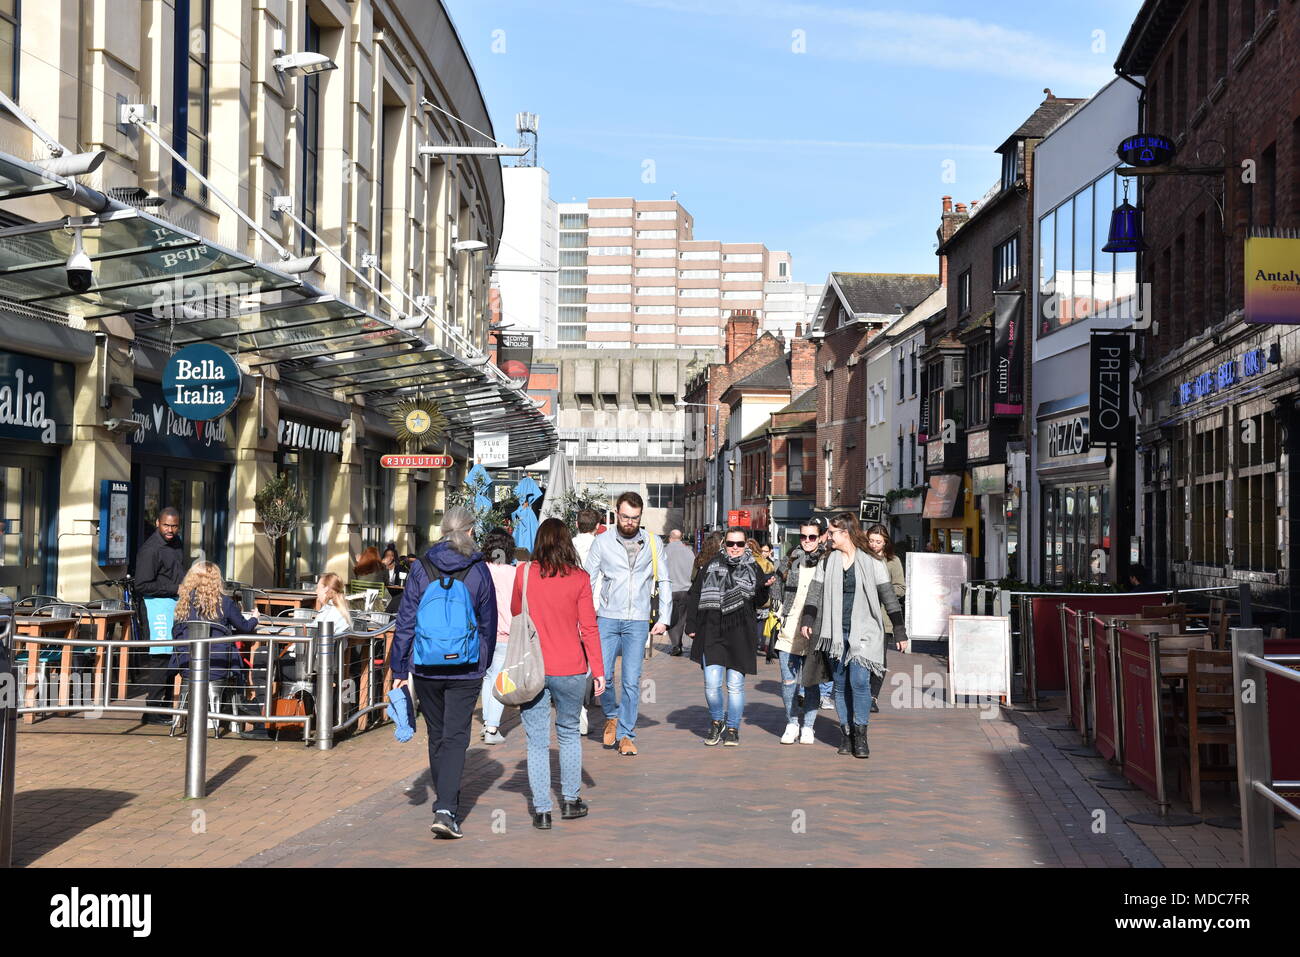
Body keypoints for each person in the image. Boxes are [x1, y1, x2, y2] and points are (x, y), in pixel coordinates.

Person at [390, 507, 497, 840]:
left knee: (437, 735)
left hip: (426, 666)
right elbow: (488, 623)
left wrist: (399, 667)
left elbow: (405, 620)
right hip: (465, 668)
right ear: (469, 531)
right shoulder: (479, 570)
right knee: (455, 737)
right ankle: (447, 808)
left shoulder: (421, 568)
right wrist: (483, 661)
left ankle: (445, 801)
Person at [513, 519, 607, 829]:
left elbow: (517, 614)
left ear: (539, 542)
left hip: (533, 668)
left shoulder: (523, 573)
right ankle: (570, 801)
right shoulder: (580, 578)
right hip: (571, 668)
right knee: (568, 735)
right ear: (567, 542)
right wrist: (599, 670)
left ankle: (541, 811)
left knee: (537, 741)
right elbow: (589, 627)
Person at [799, 513, 908, 759]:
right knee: (839, 685)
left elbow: (889, 598)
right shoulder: (827, 561)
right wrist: (807, 620)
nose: (828, 536)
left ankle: (861, 735)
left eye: (831, 532)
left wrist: (900, 631)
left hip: (865, 632)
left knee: (859, 682)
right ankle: (846, 733)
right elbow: (814, 593)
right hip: (835, 633)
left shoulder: (872, 562)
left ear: (845, 533)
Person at [583, 491, 672, 756]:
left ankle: (625, 734)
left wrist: (664, 618)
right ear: (616, 514)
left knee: (633, 681)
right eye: (624, 517)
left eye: (634, 518)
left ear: (640, 516)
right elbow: (587, 580)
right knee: (604, 676)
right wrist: (585, 616)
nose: (629, 522)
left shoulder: (654, 543)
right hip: (608, 618)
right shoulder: (602, 542)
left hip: (638, 621)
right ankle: (611, 714)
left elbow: (664, 581)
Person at [683, 527, 772, 746]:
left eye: (739, 544)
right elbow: (694, 595)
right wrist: (691, 624)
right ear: (724, 544)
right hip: (712, 631)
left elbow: (760, 601)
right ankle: (716, 722)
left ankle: (732, 728)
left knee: (735, 686)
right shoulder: (711, 565)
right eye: (731, 544)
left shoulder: (753, 567)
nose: (735, 548)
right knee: (712, 684)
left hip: (740, 632)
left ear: (745, 545)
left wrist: (764, 587)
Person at [169, 561, 259, 733]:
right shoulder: (225, 603)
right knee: (237, 666)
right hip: (217, 666)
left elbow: (177, 632)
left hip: (188, 665)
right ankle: (232, 717)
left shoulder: (183, 603)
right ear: (217, 580)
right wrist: (255, 617)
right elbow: (245, 628)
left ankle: (183, 721)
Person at [773, 520, 827, 744]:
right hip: (789, 626)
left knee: (811, 681)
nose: (806, 541)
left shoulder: (827, 561)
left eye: (812, 537)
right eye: (803, 537)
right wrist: (776, 608)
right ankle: (792, 722)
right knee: (787, 681)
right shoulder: (790, 559)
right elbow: (777, 582)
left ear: (821, 537)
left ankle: (809, 726)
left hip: (815, 628)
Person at [134, 507, 187, 724]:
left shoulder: (177, 543)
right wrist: (175, 589)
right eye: (166, 525)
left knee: (172, 657)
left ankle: (163, 708)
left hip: (174, 605)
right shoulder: (151, 549)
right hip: (156, 606)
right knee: (160, 659)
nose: (170, 530)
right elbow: (142, 585)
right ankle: (152, 711)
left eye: (174, 526)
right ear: (158, 523)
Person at [478, 528, 517, 745]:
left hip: (484, 633)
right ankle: (492, 727)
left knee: (488, 676)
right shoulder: (514, 573)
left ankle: (487, 721)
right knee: (501, 680)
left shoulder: (481, 570)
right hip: (506, 634)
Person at [865, 524, 907, 714]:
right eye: (871, 540)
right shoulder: (861, 558)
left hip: (883, 618)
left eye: (878, 541)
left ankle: (872, 696)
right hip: (862, 617)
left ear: (885, 542)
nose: (874, 545)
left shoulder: (892, 561)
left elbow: (900, 588)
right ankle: (861, 692)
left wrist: (882, 590)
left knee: (879, 660)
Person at [663, 528, 696, 656]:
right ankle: (682, 642)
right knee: (683, 618)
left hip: (670, 590)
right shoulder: (689, 552)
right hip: (686, 590)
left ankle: (676, 644)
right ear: (681, 538)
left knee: (671, 618)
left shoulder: (664, 552)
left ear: (670, 538)